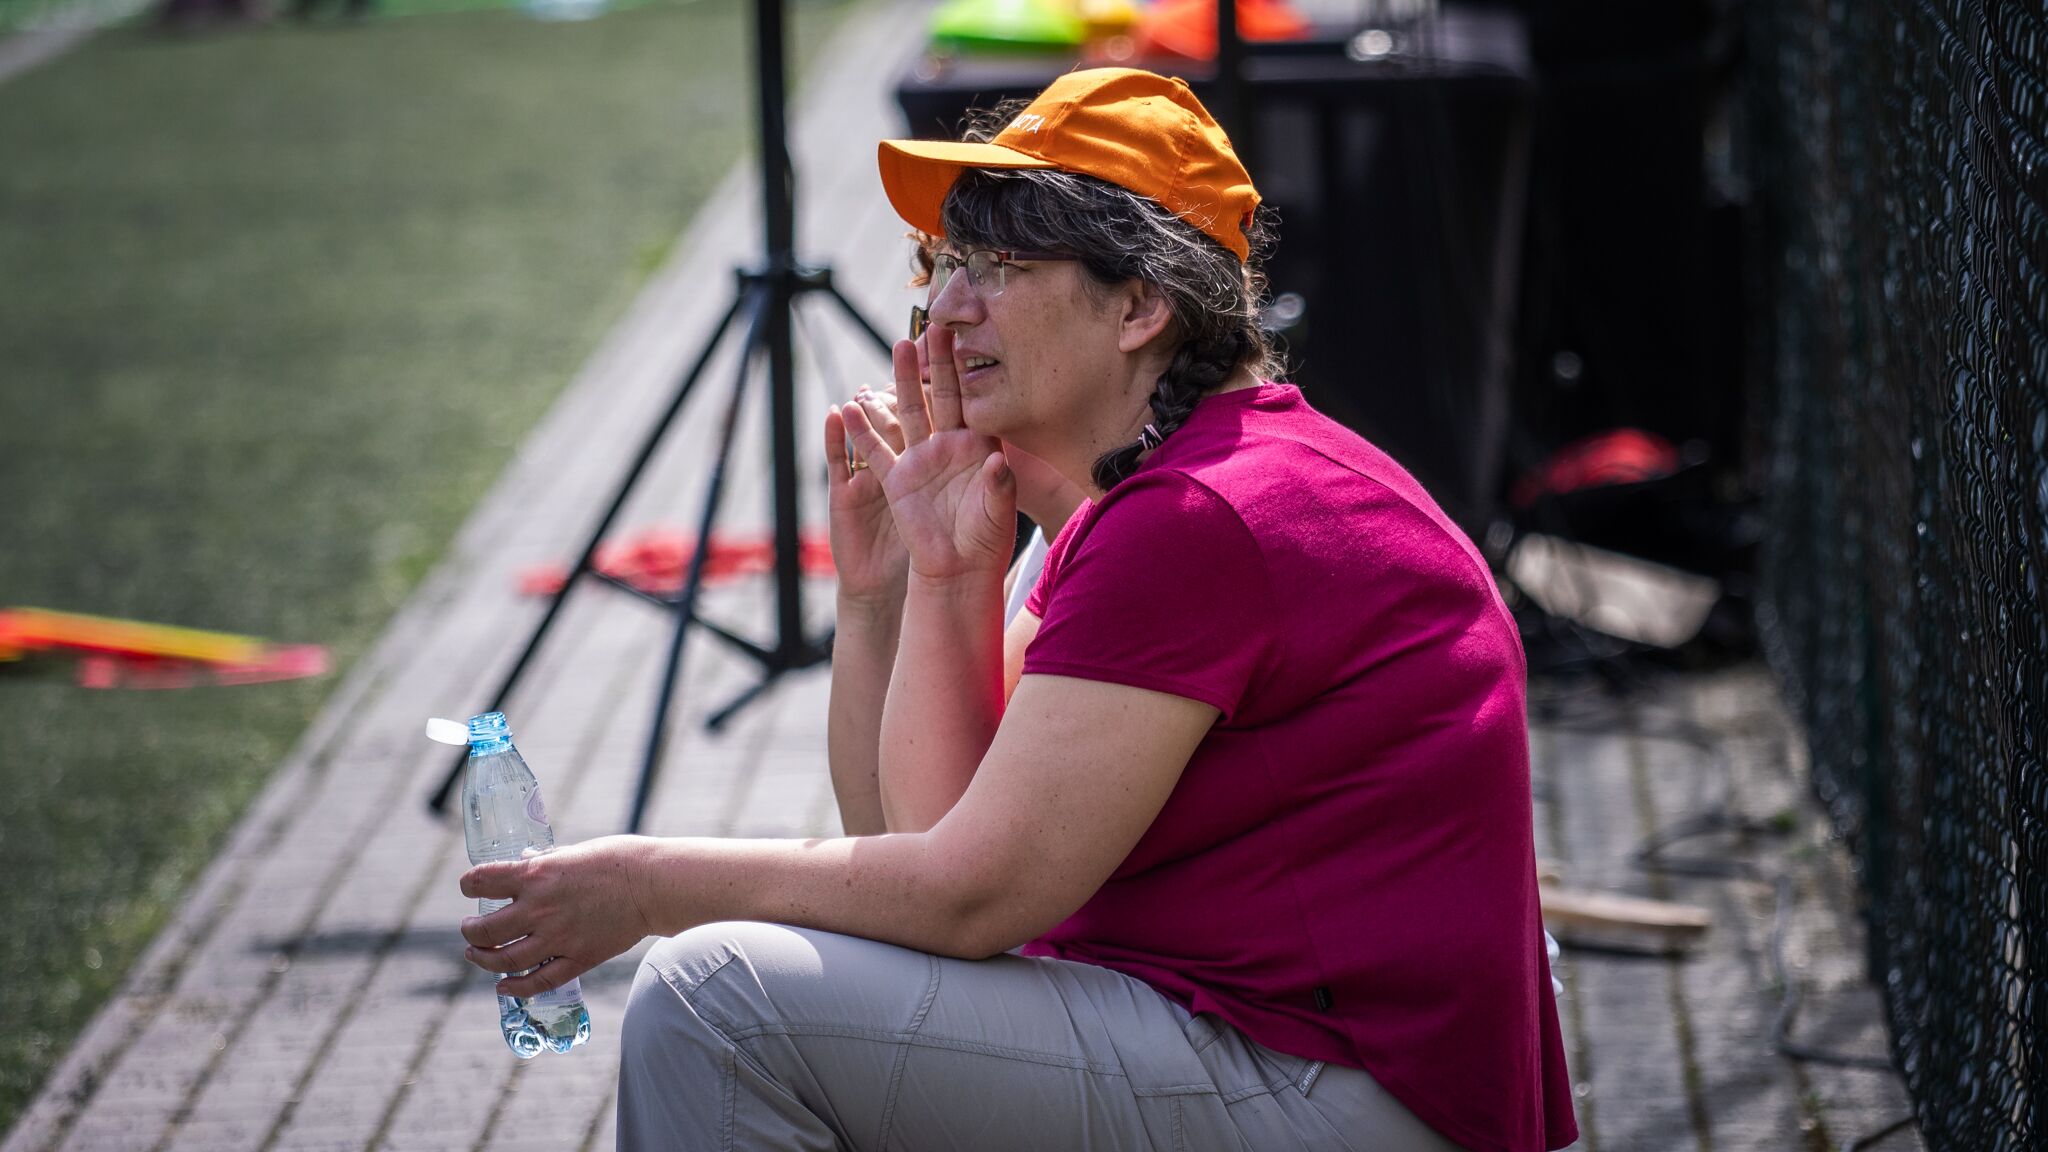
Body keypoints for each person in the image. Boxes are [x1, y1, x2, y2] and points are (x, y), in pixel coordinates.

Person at [457, 67, 1576, 1152]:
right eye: (945, 263)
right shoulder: (1165, 491)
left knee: (714, 996)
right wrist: (904, 587)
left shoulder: (1198, 515)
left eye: (998, 265)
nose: (945, 309)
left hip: (1335, 1088)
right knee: (769, 990)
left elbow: (968, 898)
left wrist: (650, 885)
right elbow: (917, 843)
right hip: (1286, 1055)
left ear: (1141, 305)